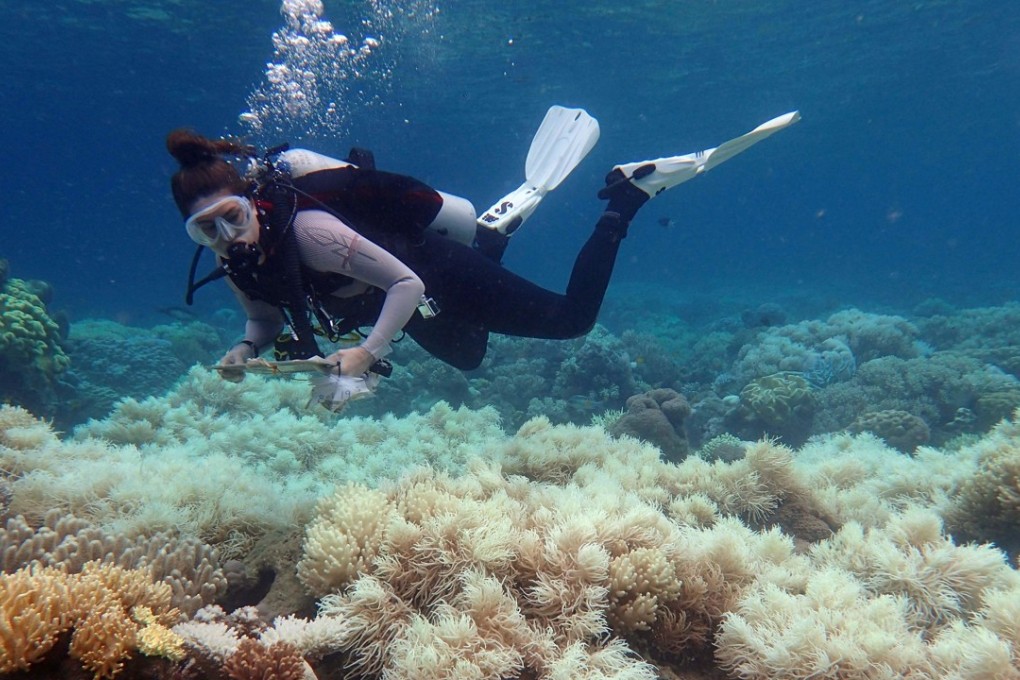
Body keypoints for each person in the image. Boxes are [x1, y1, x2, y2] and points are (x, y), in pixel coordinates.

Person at [167, 108, 799, 385]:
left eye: (231, 217)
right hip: (399, 302)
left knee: (571, 322)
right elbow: (262, 316)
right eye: (206, 230)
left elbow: (406, 286)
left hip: (427, 274)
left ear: (252, 201)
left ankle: (630, 196)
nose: (227, 237)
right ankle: (491, 236)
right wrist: (245, 347)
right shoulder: (233, 264)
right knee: (469, 358)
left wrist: (364, 351)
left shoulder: (311, 232)